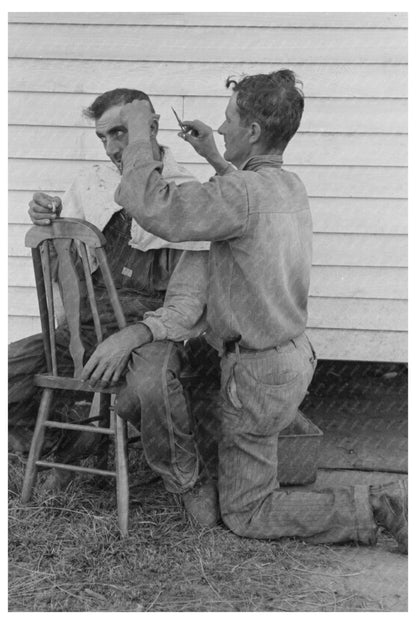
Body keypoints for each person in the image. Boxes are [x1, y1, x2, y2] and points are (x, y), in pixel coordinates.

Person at [108, 70, 407, 553]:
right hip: (288, 358)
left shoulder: (242, 196)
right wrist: (214, 157)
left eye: (228, 122)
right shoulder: (286, 186)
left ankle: (377, 505)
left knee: (248, 513)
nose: (220, 130)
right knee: (185, 378)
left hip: (257, 373)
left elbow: (155, 206)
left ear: (252, 132)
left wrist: (140, 134)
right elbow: (247, 202)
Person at [8, 88, 220, 526]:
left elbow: (187, 305)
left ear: (153, 128)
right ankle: (67, 446)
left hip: (152, 329)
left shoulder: (187, 194)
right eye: (104, 137)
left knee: (148, 388)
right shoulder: (92, 183)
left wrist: (132, 335)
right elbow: (64, 269)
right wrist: (48, 218)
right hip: (91, 321)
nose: (112, 148)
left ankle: (185, 479)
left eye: (121, 133)